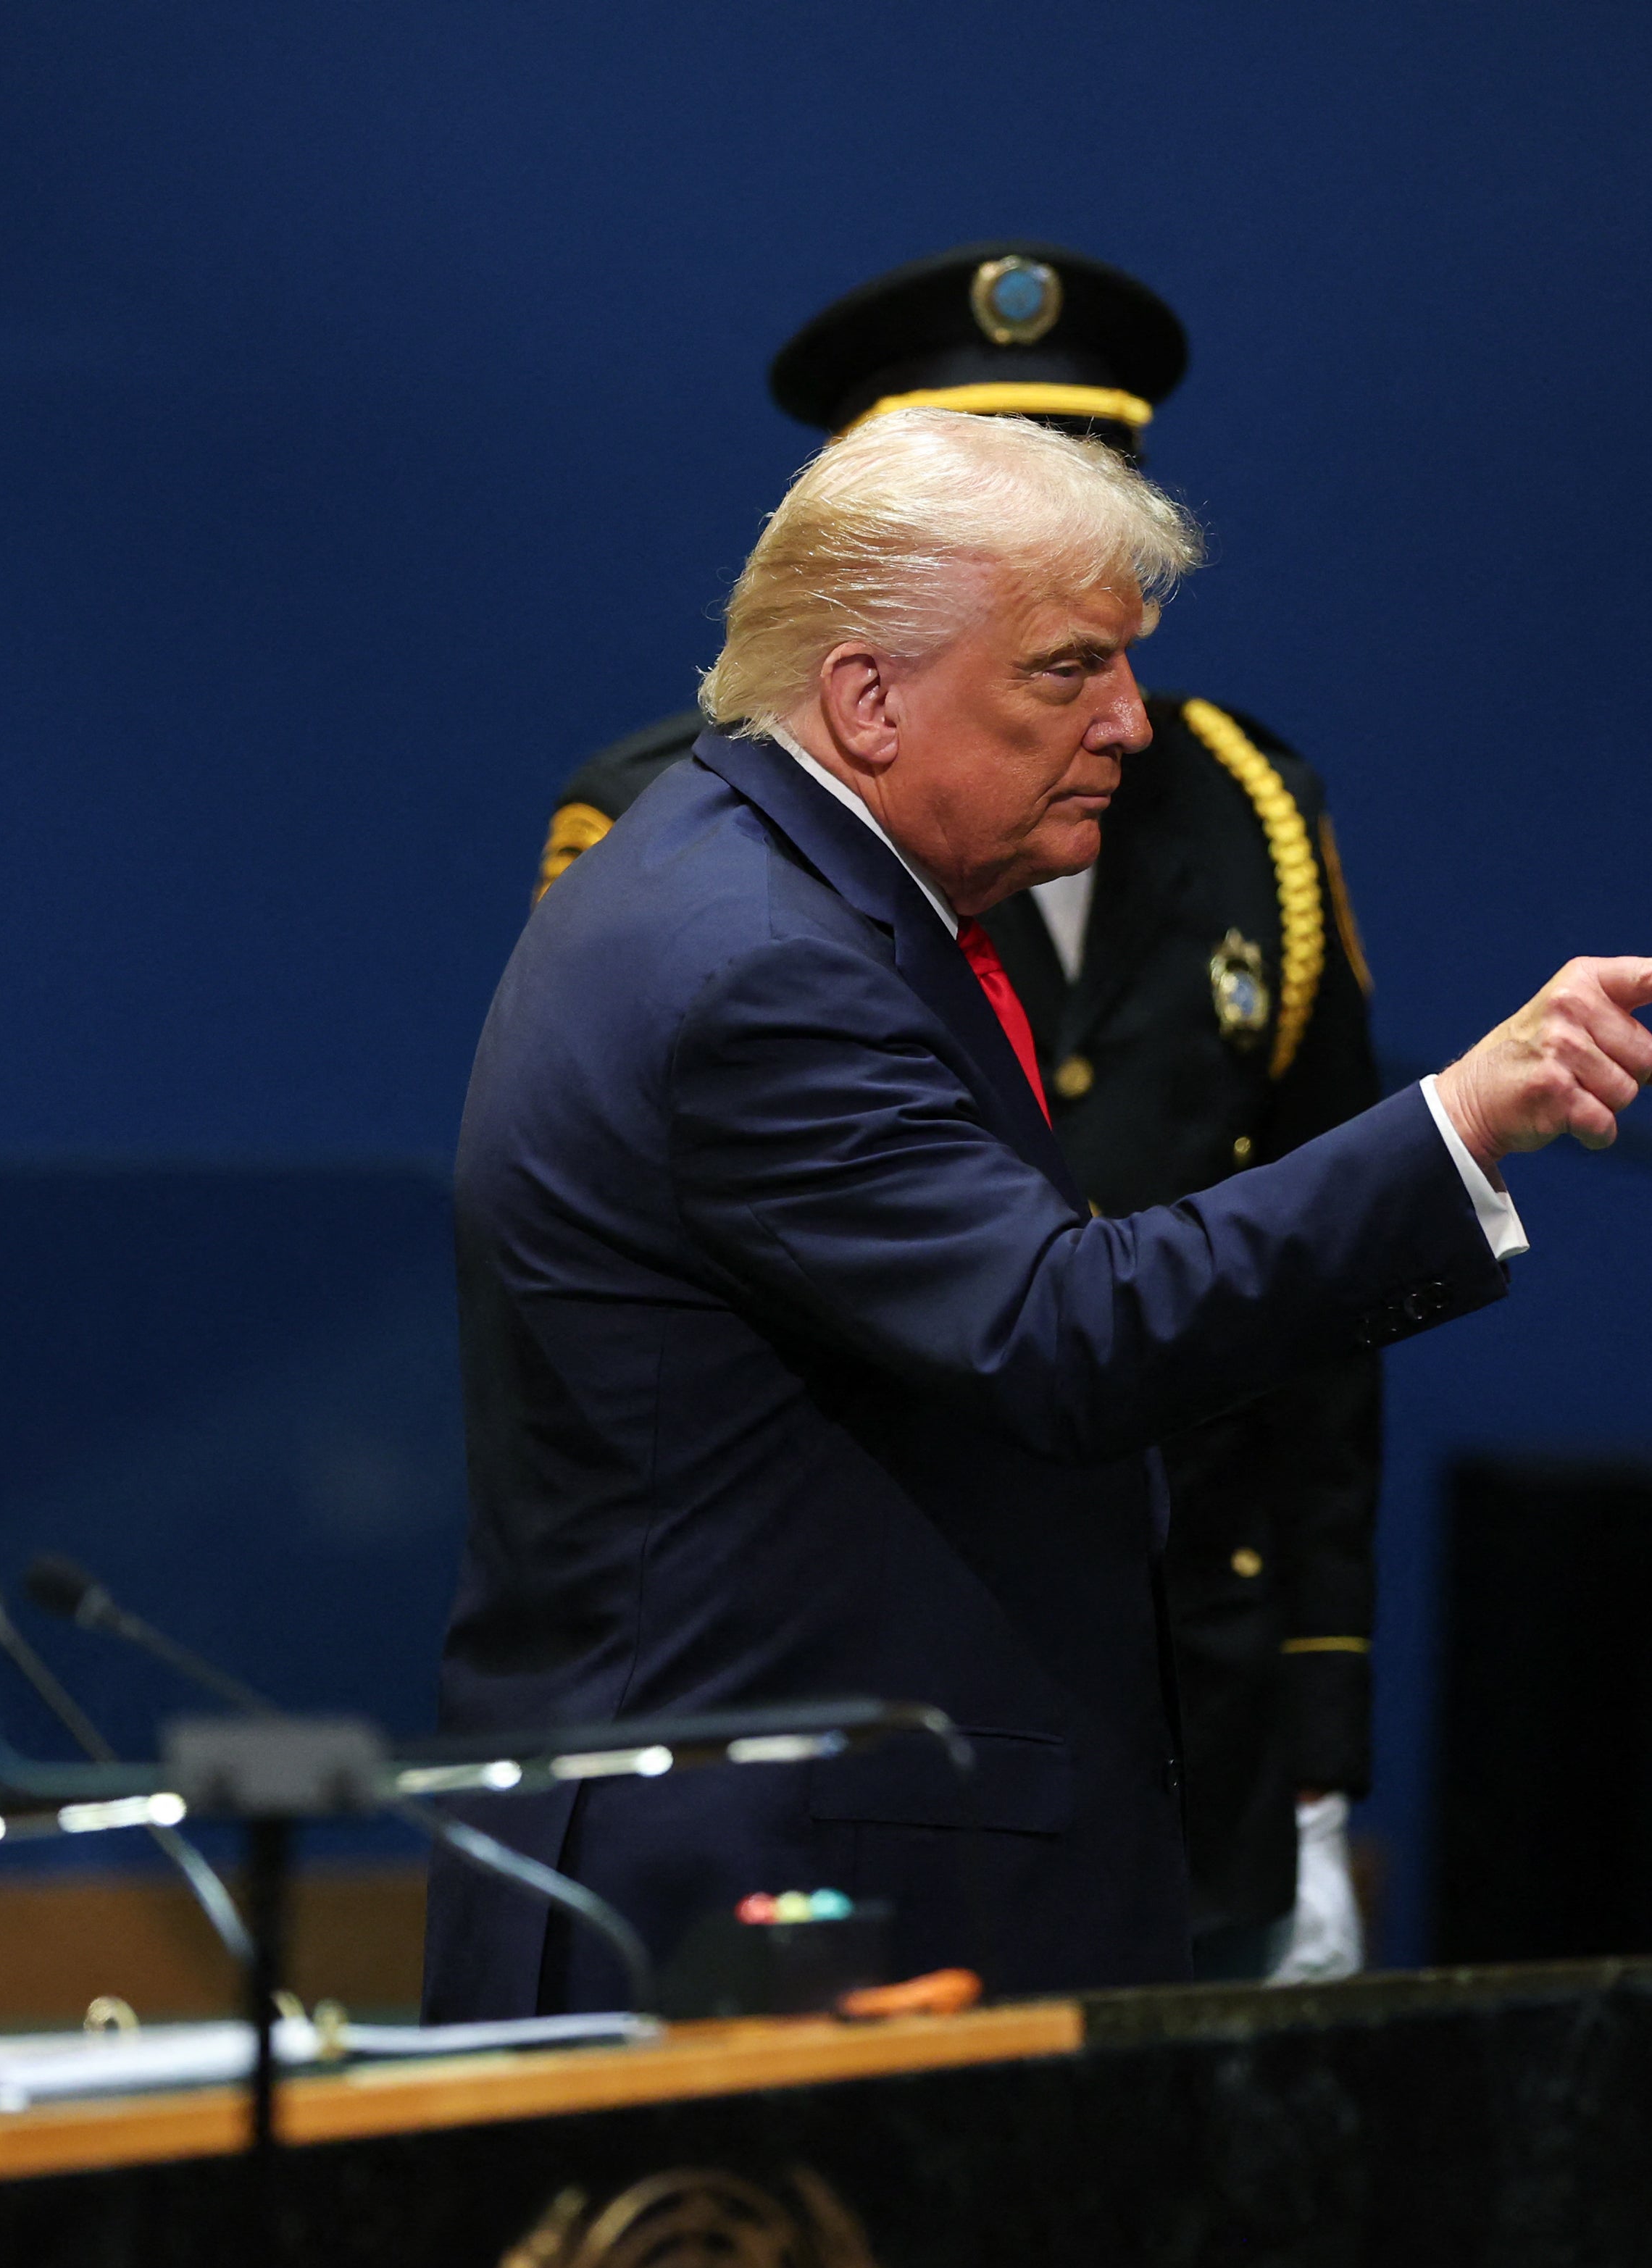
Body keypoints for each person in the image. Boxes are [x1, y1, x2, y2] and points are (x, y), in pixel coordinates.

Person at [426, 406, 1652, 2018]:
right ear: (866, 695)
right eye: (1066, 669)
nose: (1128, 721)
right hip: (762, 1901)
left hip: (813, 1841)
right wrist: (1455, 1124)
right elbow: (1063, 1329)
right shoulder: (761, 962)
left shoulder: (779, 888)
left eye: (1127, 664)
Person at [535, 244, 1386, 1984]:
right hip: (845, 1747)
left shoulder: (1245, 814)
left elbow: (1312, 1334)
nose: (1122, 716)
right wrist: (1453, 1140)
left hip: (1175, 1692)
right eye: (1049, 632)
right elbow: (1027, 1313)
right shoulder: (694, 868)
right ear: (882, 639)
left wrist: (1319, 1722)